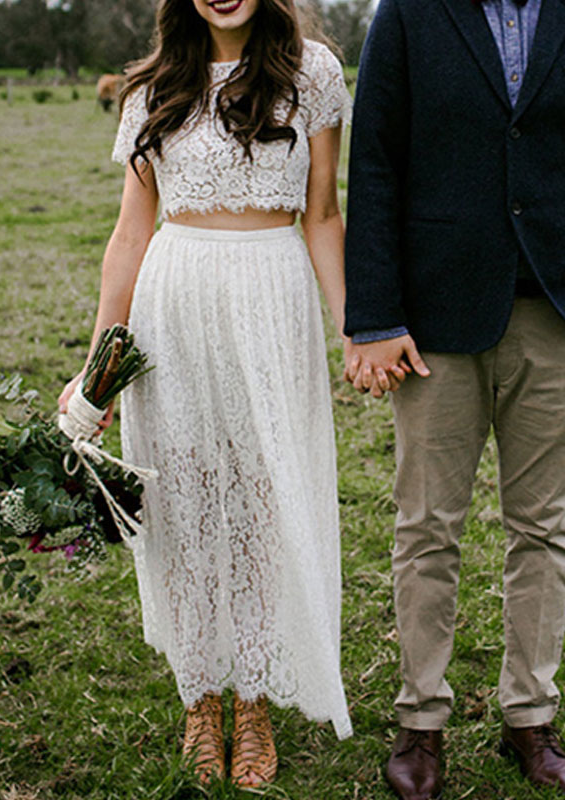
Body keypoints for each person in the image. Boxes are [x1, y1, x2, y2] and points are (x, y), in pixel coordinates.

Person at [59, 0, 354, 787]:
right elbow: (130, 232)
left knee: (260, 493)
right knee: (184, 497)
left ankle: (253, 698)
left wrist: (356, 327)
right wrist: (100, 364)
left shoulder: (313, 74)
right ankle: (201, 697)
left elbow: (323, 214)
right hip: (175, 299)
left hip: (273, 296)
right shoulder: (150, 89)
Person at [343, 0, 565, 797]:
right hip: (434, 319)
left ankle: (531, 717)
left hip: (554, 311)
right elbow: (373, 161)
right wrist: (372, 315)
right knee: (427, 527)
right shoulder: (408, 12)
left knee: (544, 526)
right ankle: (421, 721)